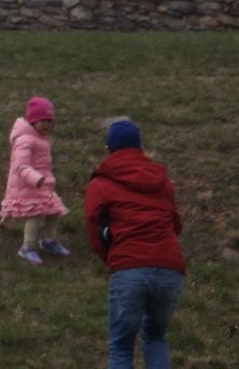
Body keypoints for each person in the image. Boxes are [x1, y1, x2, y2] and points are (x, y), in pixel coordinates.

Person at [85, 119, 186, 369]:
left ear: (108, 149)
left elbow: (92, 224)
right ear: (140, 147)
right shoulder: (161, 180)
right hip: (170, 267)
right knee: (156, 337)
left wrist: (109, 256)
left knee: (121, 345)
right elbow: (175, 223)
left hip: (129, 267)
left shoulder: (102, 182)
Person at [0, 95, 70, 265]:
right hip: (28, 185)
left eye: (49, 120)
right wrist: (36, 179)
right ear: (33, 120)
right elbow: (21, 166)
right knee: (35, 215)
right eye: (42, 120)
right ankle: (27, 247)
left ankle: (49, 240)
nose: (47, 124)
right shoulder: (24, 139)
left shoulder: (41, 138)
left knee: (54, 210)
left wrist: (44, 179)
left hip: (42, 185)